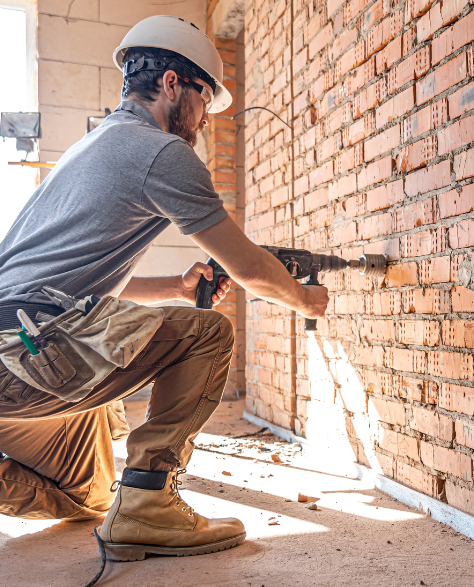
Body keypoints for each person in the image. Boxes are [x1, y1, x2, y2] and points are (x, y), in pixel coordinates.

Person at [0, 16, 329, 561]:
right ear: (173, 83)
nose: (204, 119)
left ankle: (131, 505)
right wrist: (303, 298)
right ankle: (149, 502)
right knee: (208, 335)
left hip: (22, 344)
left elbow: (72, 297)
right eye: (204, 100)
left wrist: (178, 286)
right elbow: (247, 267)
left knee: (91, 495)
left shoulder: (94, 145)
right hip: (24, 355)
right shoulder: (161, 151)